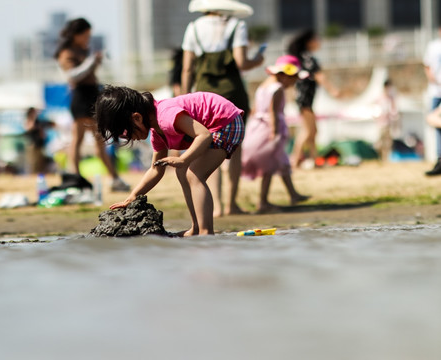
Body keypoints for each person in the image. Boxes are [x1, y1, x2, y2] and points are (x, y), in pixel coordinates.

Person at [94, 86, 245, 236]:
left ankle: (206, 232)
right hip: (213, 127)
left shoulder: (165, 116)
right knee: (183, 171)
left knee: (194, 174)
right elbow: (155, 169)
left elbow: (204, 135)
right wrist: (132, 197)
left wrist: (184, 159)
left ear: (137, 118)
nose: (128, 138)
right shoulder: (157, 133)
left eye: (125, 133)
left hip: (226, 121)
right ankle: (197, 228)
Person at [181, 0, 264, 217]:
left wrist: (183, 98)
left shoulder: (193, 27)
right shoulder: (236, 25)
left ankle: (216, 206)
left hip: (204, 96)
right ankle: (231, 204)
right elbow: (241, 62)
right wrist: (257, 60)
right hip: (232, 93)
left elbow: (187, 68)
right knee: (235, 149)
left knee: (208, 147)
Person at [54, 18, 130, 191]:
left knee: (92, 139)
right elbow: (72, 76)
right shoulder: (67, 52)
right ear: (77, 34)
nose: (88, 38)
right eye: (86, 35)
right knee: (81, 139)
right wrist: (91, 62)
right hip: (81, 97)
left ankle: (108, 177)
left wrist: (95, 62)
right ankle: (79, 176)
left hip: (91, 95)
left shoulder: (82, 49)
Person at [242, 55, 310, 213]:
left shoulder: (263, 86)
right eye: (293, 79)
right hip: (269, 130)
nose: (293, 83)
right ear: (284, 75)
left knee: (281, 161)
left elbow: (256, 108)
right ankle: (263, 202)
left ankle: (293, 194)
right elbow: (272, 112)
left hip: (257, 126)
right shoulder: (277, 89)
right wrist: (275, 133)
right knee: (270, 166)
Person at [287, 29, 340, 168]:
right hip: (305, 99)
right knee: (307, 131)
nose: (319, 41)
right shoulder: (308, 58)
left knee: (313, 130)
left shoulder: (302, 57)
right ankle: (295, 159)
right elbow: (319, 75)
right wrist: (332, 90)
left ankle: (314, 158)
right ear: (309, 42)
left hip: (304, 99)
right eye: (317, 39)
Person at [423, 26, 441, 176]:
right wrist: (434, 81)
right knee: (433, 120)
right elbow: (427, 67)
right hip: (436, 92)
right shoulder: (433, 46)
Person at [374, 79, 400, 162]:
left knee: (388, 143)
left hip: (389, 123)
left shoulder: (392, 99)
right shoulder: (380, 98)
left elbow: (394, 111)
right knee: (380, 142)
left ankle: (387, 159)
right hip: (381, 123)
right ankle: (380, 157)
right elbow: (375, 111)